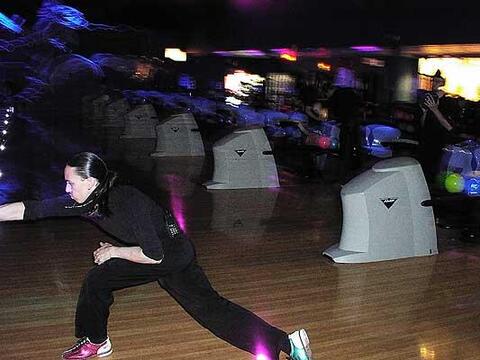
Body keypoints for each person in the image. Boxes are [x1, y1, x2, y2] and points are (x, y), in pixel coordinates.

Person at [0, 152, 312, 360]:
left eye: (70, 182)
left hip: (169, 254)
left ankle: (285, 343)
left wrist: (114, 251)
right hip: (162, 252)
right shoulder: (84, 200)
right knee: (99, 282)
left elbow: (153, 254)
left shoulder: (124, 201)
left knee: (208, 309)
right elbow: (31, 208)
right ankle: (288, 344)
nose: (66, 189)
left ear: (91, 182)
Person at [418, 70, 461, 183]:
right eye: (434, 80)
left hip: (440, 146)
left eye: (438, 81)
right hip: (426, 143)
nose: (434, 83)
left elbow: (450, 127)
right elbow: (423, 124)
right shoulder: (430, 98)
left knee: (435, 176)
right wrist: (425, 112)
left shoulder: (449, 102)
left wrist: (435, 110)